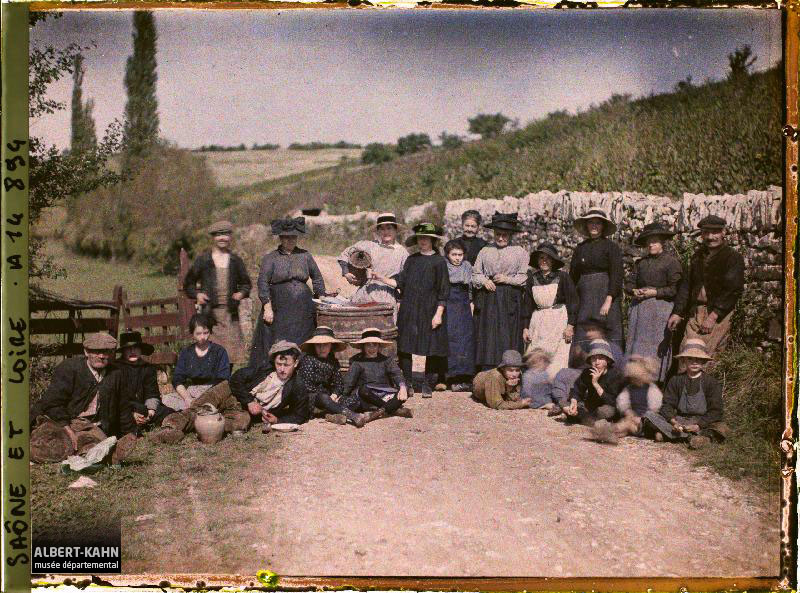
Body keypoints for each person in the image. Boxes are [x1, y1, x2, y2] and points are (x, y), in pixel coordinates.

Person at [30, 332, 136, 463]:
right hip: (60, 420)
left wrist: (131, 433)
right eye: (96, 352)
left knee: (93, 442)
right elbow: (52, 403)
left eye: (106, 352)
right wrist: (67, 428)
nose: (101, 356)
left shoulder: (116, 374)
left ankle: (108, 456)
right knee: (50, 444)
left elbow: (123, 407)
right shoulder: (69, 368)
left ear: (112, 353)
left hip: (89, 426)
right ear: (86, 352)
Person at [250, 216, 326, 367]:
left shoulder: (305, 256)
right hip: (280, 308)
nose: (290, 241)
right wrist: (267, 306)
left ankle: (303, 370)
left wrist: (321, 298)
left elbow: (317, 278)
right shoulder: (270, 258)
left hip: (303, 308)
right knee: (280, 341)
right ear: (281, 238)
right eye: (286, 238)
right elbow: (263, 282)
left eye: (293, 237)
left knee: (304, 340)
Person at [668, 214, 745, 362]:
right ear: (701, 234)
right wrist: (677, 312)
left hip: (717, 314)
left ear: (723, 232)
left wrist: (713, 316)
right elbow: (686, 286)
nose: (710, 237)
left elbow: (733, 290)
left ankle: (705, 385)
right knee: (686, 353)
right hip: (696, 312)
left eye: (715, 232)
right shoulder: (697, 257)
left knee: (706, 357)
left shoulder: (732, 258)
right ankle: (685, 385)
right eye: (706, 232)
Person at [392, 223, 450, 397]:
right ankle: (408, 382)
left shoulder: (439, 262)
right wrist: (378, 277)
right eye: (420, 238)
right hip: (410, 308)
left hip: (430, 309)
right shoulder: (412, 260)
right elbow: (400, 282)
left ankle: (427, 384)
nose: (423, 241)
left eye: (426, 238)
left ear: (433, 240)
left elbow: (443, 290)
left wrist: (438, 314)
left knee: (431, 345)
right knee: (405, 345)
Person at [183, 220, 252, 364]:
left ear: (230, 237)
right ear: (213, 238)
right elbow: (188, 284)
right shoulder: (203, 260)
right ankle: (213, 385)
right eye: (218, 235)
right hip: (210, 316)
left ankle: (227, 385)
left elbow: (246, 284)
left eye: (225, 234)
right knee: (211, 355)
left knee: (231, 356)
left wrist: (240, 294)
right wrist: (197, 295)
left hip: (230, 315)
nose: (222, 238)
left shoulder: (235, 260)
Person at [642, 339, 729, 448]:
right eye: (690, 358)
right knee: (649, 416)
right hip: (680, 421)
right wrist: (673, 422)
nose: (694, 362)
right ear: (683, 360)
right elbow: (667, 405)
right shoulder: (676, 380)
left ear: (703, 361)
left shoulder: (711, 382)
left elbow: (716, 410)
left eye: (698, 359)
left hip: (701, 422)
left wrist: (698, 425)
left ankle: (674, 436)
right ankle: (687, 437)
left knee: (722, 428)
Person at [624, 222, 683, 382]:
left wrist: (655, 292)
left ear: (662, 242)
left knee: (656, 348)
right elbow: (629, 283)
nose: (651, 245)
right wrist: (633, 291)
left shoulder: (671, 262)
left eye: (655, 241)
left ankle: (657, 382)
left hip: (660, 312)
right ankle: (636, 380)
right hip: (640, 312)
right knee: (638, 346)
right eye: (648, 242)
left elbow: (675, 289)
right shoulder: (641, 263)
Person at [472, 212, 529, 370]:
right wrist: (484, 281)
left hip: (510, 296)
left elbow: (524, 278)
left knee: (508, 333)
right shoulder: (485, 251)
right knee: (489, 333)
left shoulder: (520, 252)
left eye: (505, 235)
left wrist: (507, 279)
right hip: (489, 296)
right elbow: (475, 273)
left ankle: (510, 368)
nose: (501, 238)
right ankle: (488, 369)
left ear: (511, 235)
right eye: (498, 234)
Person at [297, 327, 383, 428]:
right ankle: (353, 416)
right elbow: (307, 387)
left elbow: (339, 384)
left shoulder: (332, 361)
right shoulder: (308, 360)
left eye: (326, 345)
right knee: (323, 398)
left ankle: (329, 415)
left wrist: (335, 394)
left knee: (354, 401)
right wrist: (327, 398)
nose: (322, 348)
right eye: (318, 345)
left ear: (331, 346)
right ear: (314, 346)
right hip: (311, 398)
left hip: (329, 398)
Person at [570, 208, 624, 349]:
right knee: (584, 328)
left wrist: (609, 298)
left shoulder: (611, 247)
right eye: (591, 223)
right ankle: (582, 365)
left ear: (603, 226)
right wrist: (572, 301)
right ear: (586, 226)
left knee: (607, 329)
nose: (594, 226)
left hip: (605, 295)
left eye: (598, 223)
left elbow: (616, 274)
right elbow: (573, 278)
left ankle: (611, 364)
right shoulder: (580, 249)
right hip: (585, 298)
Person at [522, 242, 578, 378]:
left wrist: (570, 325)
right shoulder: (532, 279)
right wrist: (525, 328)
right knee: (537, 353)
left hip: (558, 320)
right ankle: (535, 387)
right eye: (541, 258)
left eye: (548, 258)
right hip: (538, 322)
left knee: (558, 357)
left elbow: (573, 301)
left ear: (553, 261)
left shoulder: (563, 277)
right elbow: (527, 305)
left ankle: (557, 388)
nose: (544, 261)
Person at [230, 340, 312, 429]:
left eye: (286, 365)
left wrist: (277, 420)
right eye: (279, 364)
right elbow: (236, 377)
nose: (282, 369)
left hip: (246, 412)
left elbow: (300, 415)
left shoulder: (298, 385)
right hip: (238, 395)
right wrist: (249, 401)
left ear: (295, 363)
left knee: (240, 421)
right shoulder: (266, 369)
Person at [337, 212, 408, 315]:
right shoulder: (369, 246)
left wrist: (400, 301)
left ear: (395, 230)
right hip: (365, 294)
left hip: (387, 298)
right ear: (378, 231)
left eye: (389, 228)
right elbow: (345, 254)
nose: (386, 232)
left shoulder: (403, 253)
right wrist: (346, 272)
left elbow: (404, 281)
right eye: (382, 229)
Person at [339, 328, 413, 418]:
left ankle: (377, 412)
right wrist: (342, 395)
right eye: (368, 345)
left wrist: (402, 386)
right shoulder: (357, 361)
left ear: (379, 346)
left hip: (385, 394)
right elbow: (349, 381)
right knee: (363, 391)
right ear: (363, 346)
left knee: (407, 389)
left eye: (375, 345)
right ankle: (392, 409)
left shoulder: (386, 360)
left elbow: (396, 373)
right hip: (366, 396)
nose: (372, 348)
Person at [591, 355, 663, 444]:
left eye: (636, 378)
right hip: (632, 420)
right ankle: (611, 434)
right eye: (632, 378)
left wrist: (642, 418)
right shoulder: (629, 389)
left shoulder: (652, 389)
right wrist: (627, 411)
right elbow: (622, 402)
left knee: (626, 424)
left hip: (646, 422)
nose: (633, 380)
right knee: (627, 425)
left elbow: (655, 408)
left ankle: (610, 431)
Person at [166, 313, 231, 411]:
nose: (203, 337)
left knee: (223, 401)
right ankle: (197, 409)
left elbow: (223, 379)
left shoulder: (219, 351)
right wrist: (187, 398)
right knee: (167, 399)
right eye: (198, 333)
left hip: (213, 391)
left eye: (206, 333)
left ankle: (195, 410)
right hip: (193, 391)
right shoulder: (186, 352)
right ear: (192, 334)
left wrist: (206, 397)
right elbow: (177, 379)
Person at [116, 331, 174, 434]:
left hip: (145, 408)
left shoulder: (148, 368)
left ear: (141, 349)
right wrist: (132, 413)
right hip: (125, 409)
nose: (132, 351)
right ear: (123, 351)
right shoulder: (116, 369)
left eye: (135, 348)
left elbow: (152, 393)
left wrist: (150, 412)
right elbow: (116, 397)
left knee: (169, 413)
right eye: (128, 348)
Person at [563, 340, 624, 425]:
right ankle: (586, 418)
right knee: (564, 403)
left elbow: (613, 402)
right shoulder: (587, 373)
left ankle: (584, 418)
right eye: (594, 358)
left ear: (608, 360)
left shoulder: (616, 375)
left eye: (601, 358)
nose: (597, 362)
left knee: (605, 411)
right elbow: (577, 390)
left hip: (609, 407)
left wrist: (595, 383)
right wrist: (574, 401)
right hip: (591, 407)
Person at [443, 239, 475, 391]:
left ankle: (465, 376)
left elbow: (470, 288)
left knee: (466, 339)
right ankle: (451, 376)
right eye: (454, 254)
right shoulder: (444, 266)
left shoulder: (467, 266)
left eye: (460, 254)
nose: (457, 258)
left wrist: (471, 303)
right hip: (449, 304)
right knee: (451, 339)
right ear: (447, 255)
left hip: (463, 305)